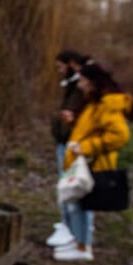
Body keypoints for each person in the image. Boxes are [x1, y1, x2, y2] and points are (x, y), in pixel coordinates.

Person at [54, 62, 133, 261]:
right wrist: (73, 122)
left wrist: (86, 147)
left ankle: (83, 248)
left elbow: (120, 136)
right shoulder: (94, 102)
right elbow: (93, 128)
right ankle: (77, 241)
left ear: (92, 82)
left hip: (92, 163)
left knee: (82, 205)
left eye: (82, 80)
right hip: (81, 161)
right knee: (76, 203)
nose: (79, 84)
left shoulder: (107, 105)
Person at [46, 50, 90, 248]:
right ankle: (73, 229)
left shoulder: (81, 84)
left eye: (61, 66)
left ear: (71, 64)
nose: (59, 71)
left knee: (71, 186)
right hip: (69, 142)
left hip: (72, 144)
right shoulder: (75, 83)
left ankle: (74, 233)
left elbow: (72, 112)